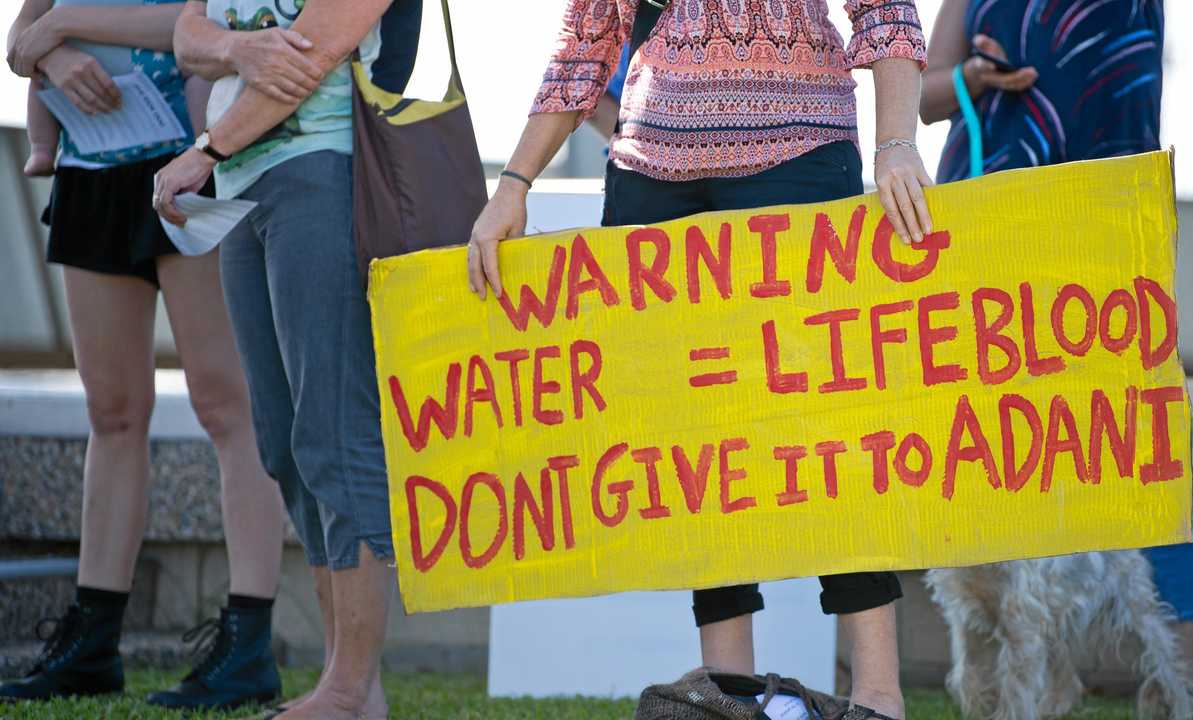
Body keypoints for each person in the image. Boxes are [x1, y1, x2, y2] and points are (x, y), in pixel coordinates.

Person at [468, 2, 934, 718]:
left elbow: (884, 10)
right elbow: (589, 34)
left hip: (803, 156)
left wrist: (896, 139)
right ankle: (730, 692)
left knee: (835, 426)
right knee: (696, 436)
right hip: (651, 174)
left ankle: (878, 694)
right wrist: (513, 183)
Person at [920, 0, 1193, 712]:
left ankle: (1185, 662)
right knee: (996, 439)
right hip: (994, 220)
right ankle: (1026, 657)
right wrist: (976, 75)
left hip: (1107, 221)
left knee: (1145, 433)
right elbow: (925, 93)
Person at [2, 0, 286, 711]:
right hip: (89, 169)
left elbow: (195, 30)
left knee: (228, 407)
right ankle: (91, 644)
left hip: (188, 166)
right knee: (113, 411)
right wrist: (54, 54)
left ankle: (248, 641)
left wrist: (63, 28)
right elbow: (20, 37)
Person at [152, 1, 422, 717]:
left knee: (336, 430)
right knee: (284, 442)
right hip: (245, 190)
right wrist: (240, 52)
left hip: (327, 173)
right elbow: (187, 36)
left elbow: (310, 55)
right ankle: (353, 688)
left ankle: (346, 686)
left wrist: (204, 150)